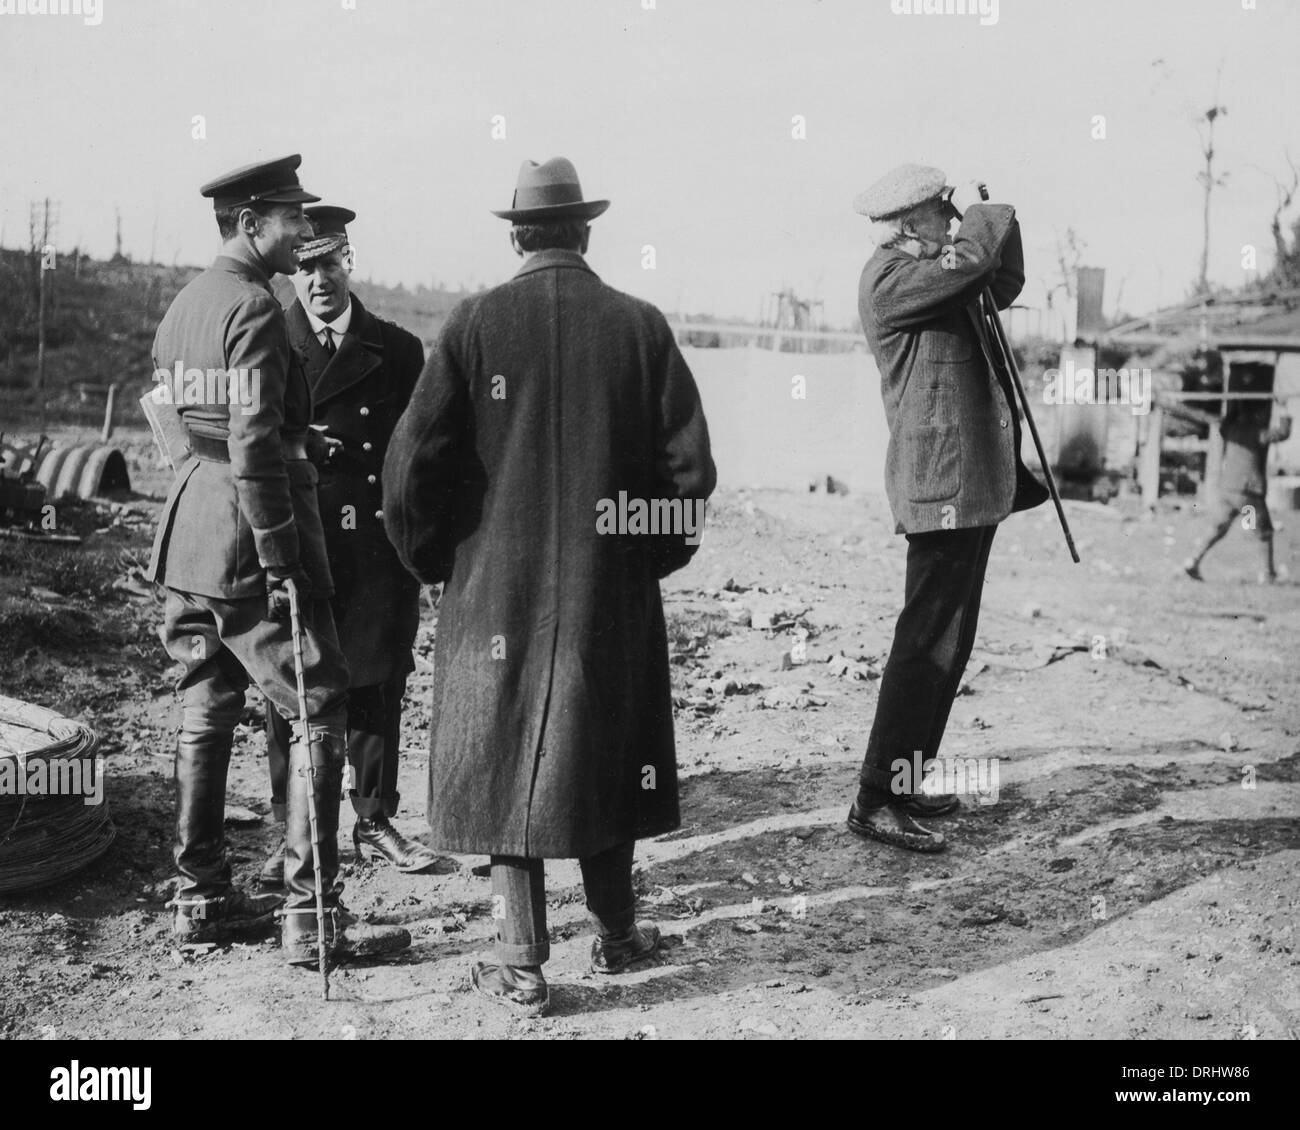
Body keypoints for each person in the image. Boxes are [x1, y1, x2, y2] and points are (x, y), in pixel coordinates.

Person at [383, 157, 716, 1015]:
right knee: (602, 757)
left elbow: (409, 469)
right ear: (585, 232)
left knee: (506, 772)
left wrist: (436, 563)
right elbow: (689, 474)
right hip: (610, 593)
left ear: (519, 235)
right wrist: (641, 560)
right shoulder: (639, 326)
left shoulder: (473, 324)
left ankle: (519, 966)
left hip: (493, 595)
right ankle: (617, 933)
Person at [145, 155, 409, 964]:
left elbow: (178, 420)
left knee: (206, 706)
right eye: (293, 219)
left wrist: (297, 438)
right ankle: (311, 914)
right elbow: (253, 443)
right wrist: (284, 558)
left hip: (187, 537)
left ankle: (201, 899)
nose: (304, 233)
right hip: (247, 540)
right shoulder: (258, 308)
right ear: (252, 222)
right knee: (319, 703)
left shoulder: (185, 304)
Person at [845, 163, 1049, 852]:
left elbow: (1002, 280)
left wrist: (1004, 222)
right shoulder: (892, 278)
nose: (953, 220)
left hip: (970, 486)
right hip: (940, 486)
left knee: (949, 642)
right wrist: (993, 215)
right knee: (925, 642)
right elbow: (970, 258)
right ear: (908, 223)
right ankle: (876, 798)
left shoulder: (941, 274)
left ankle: (903, 782)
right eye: (943, 210)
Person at [261, 205, 438, 881]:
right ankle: (291, 825)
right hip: (299, 538)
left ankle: (374, 818)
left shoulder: (396, 350)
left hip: (373, 545)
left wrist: (423, 545)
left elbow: (419, 455)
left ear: (349, 263)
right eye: (304, 267)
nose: (319, 280)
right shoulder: (270, 340)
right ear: (293, 274)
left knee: (377, 680)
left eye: (330, 263)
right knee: (290, 684)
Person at [1183, 363, 1291, 584]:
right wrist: (1283, 408)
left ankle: (1193, 561)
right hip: (1247, 492)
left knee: (1218, 527)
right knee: (1262, 532)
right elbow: (1282, 432)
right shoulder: (1257, 432)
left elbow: (1226, 420)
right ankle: (1267, 573)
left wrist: (1235, 397)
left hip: (1228, 490)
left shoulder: (1231, 429)